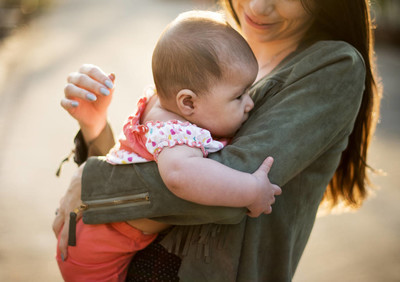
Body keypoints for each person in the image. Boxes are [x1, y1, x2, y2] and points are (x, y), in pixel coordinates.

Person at [53, 0, 382, 281]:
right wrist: (95, 127)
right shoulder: (215, 43)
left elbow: (230, 181)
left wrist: (92, 182)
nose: (256, 7)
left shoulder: (330, 66)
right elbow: (145, 157)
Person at [55, 10, 281, 282]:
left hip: (96, 232)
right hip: (96, 251)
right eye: (238, 96)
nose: (249, 103)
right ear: (188, 103)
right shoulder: (176, 134)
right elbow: (179, 177)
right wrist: (252, 190)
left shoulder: (166, 104)